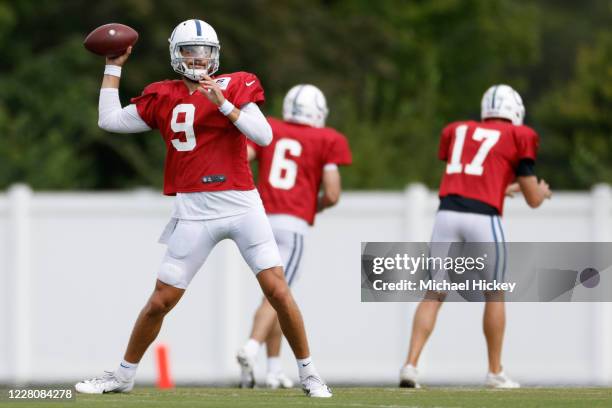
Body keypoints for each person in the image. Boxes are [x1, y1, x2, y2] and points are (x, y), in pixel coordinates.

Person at [75, 19, 332, 398]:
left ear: (215, 55)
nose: (198, 59)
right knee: (160, 301)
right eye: (189, 51)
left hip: (241, 203)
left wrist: (224, 104)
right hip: (193, 209)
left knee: (277, 290)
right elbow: (108, 120)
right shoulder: (162, 94)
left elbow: (264, 136)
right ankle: (123, 374)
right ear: (175, 56)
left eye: (204, 51)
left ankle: (309, 373)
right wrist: (113, 67)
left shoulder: (236, 83)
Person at [399, 84, 552, 389]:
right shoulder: (519, 136)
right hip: (484, 219)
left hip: (447, 213)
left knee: (434, 293)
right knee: (494, 292)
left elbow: (475, 175)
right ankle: (495, 372)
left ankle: (410, 365)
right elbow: (534, 199)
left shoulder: (458, 130)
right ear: (516, 112)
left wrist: (508, 189)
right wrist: (540, 191)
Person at [235, 84, 352, 389]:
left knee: (273, 295)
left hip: (260, 217)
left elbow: (240, 158)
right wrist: (314, 206)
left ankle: (273, 369)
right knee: (279, 296)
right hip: (292, 224)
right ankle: (251, 346)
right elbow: (334, 192)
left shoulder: (270, 127)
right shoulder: (327, 138)